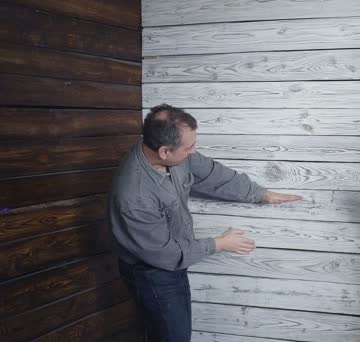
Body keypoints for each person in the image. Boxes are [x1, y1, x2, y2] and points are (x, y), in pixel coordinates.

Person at [109, 104, 302, 342]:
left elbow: (214, 175)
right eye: (189, 147)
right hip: (151, 272)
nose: (194, 151)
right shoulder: (134, 195)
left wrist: (261, 194)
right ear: (164, 152)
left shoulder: (178, 156)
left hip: (172, 260)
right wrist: (219, 244)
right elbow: (167, 255)